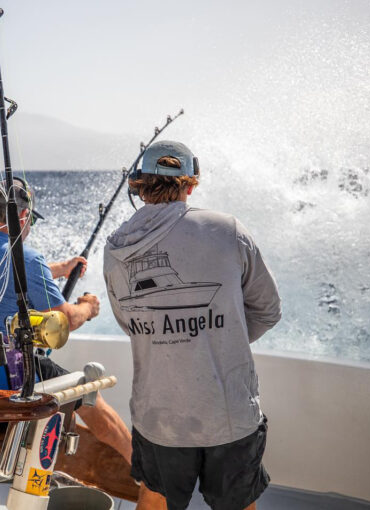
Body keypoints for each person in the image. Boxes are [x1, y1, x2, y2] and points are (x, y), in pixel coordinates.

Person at [103, 141, 282, 510]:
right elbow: (268, 310)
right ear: (191, 184)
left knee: (153, 498)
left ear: (138, 184)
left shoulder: (115, 245)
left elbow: (130, 323)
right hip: (229, 415)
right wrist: (214, 337)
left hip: (159, 418)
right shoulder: (227, 229)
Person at [0, 177, 133, 464]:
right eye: (32, 222)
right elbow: (67, 319)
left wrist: (60, 269)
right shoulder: (27, 259)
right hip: (2, 382)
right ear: (24, 216)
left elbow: (3, 271)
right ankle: (139, 466)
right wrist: (88, 306)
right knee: (90, 391)